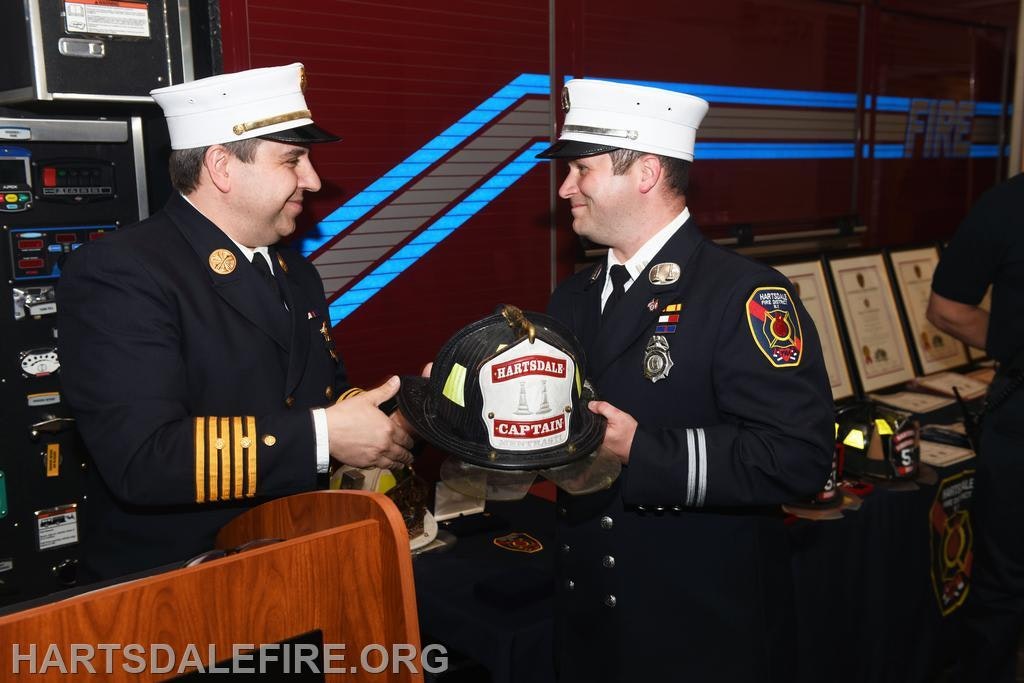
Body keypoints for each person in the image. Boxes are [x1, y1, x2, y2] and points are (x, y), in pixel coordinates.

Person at [57, 63, 414, 582]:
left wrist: (404, 412)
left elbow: (315, 397)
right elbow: (142, 458)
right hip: (183, 592)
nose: (312, 180)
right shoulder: (122, 271)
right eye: (293, 160)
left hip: (294, 562)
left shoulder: (295, 272)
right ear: (222, 166)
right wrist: (322, 435)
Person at [537, 79, 835, 682]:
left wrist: (641, 450)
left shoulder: (746, 295)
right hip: (590, 612)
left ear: (645, 173)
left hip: (698, 630)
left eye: (581, 169)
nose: (566, 187)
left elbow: (800, 457)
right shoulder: (573, 297)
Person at [927, 173, 1024, 683]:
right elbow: (946, 308)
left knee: (1002, 589)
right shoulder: (1009, 202)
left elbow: (947, 309)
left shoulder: (1008, 201)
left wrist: (1013, 348)